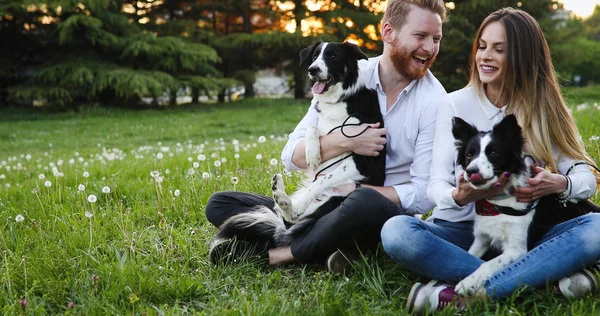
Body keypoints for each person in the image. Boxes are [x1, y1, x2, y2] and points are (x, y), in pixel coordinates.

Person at [380, 7, 600, 313]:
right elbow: (435, 184)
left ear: (523, 56)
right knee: (397, 232)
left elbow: (585, 176)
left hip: (523, 231)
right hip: (461, 233)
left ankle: (467, 295)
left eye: (498, 49)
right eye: (482, 47)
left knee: (598, 226)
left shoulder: (542, 108)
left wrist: (560, 183)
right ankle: (541, 279)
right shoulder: (453, 104)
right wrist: (457, 196)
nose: (485, 56)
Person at [205, 0, 448, 273]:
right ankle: (330, 247)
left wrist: (354, 191)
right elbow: (291, 156)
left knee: (361, 203)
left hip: (378, 215)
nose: (429, 48)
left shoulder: (436, 102)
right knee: (221, 203)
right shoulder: (343, 72)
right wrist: (346, 142)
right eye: (420, 36)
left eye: (436, 39)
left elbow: (423, 194)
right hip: (323, 203)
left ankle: (276, 255)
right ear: (388, 32)